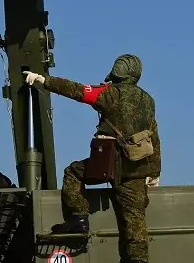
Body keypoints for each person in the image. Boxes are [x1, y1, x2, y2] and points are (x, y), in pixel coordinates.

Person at [24, 54, 160, 263]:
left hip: (108, 163)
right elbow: (153, 136)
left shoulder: (109, 94)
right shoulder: (148, 100)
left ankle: (78, 218)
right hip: (136, 168)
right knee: (135, 225)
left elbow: (77, 90)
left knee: (73, 172)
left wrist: (44, 80)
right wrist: (154, 172)